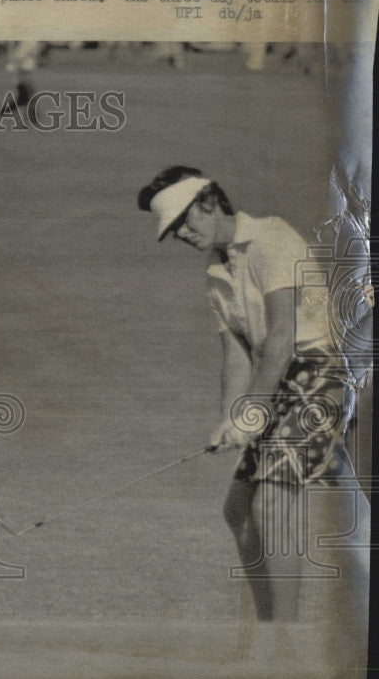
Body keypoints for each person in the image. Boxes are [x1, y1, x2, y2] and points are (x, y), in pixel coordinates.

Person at [137, 166, 369, 668]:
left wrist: (253, 409)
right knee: (238, 511)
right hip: (277, 380)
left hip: (321, 374)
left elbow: (283, 339)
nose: (181, 235)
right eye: (173, 231)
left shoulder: (270, 238)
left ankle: (287, 647)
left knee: (272, 506)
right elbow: (238, 355)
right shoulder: (217, 273)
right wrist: (230, 418)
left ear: (209, 201)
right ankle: (271, 639)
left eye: (183, 221)